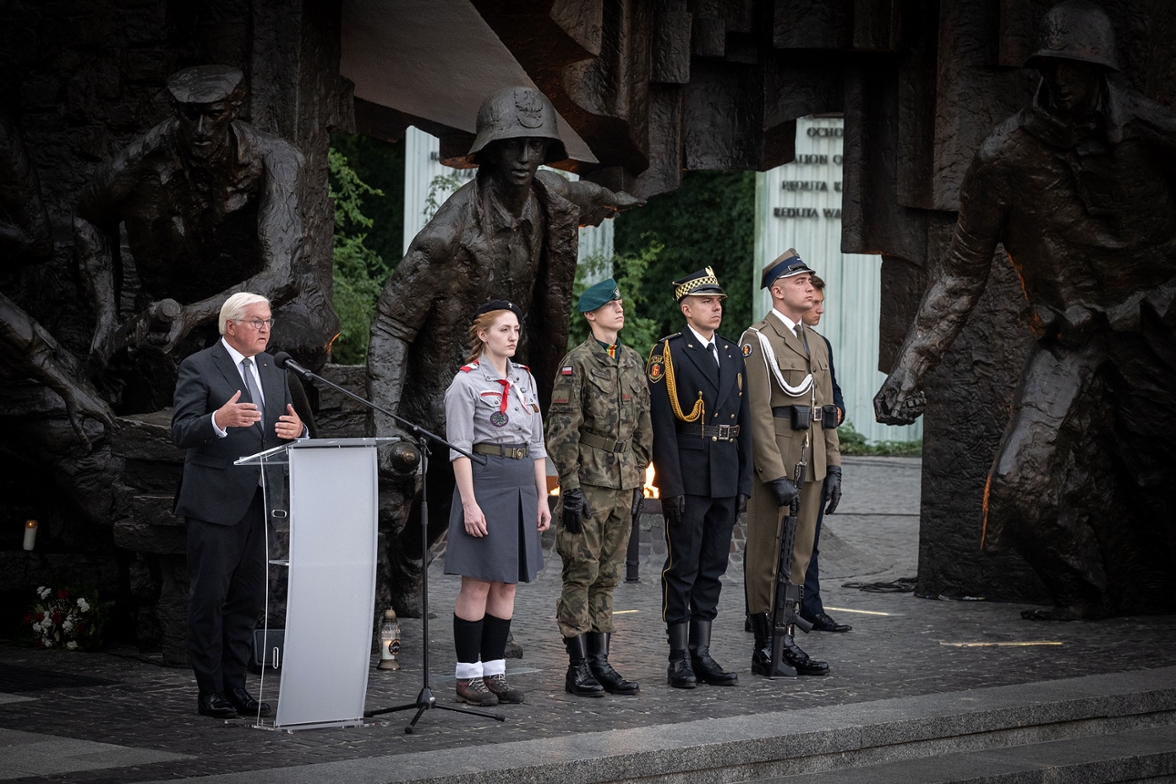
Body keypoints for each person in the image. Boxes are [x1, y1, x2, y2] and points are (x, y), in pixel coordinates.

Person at [874, 0, 1176, 619]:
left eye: (1076, 67)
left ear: (1103, 72)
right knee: (1016, 483)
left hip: (1161, 331)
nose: (1062, 80)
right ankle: (1084, 595)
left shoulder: (1154, 132)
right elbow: (961, 271)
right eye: (1052, 66)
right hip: (1072, 340)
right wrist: (911, 366)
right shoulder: (1004, 158)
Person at [366, 86, 640, 608]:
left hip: (511, 384)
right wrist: (383, 425)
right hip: (447, 386)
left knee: (493, 496)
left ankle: (454, 595)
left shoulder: (547, 199)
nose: (524, 157)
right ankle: (395, 578)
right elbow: (390, 326)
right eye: (513, 145)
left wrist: (611, 198)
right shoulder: (445, 237)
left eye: (536, 146)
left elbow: (578, 194)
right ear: (488, 149)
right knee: (436, 492)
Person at [74, 65, 305, 372]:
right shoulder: (141, 159)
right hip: (172, 308)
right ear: (175, 110)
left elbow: (282, 274)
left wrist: (194, 314)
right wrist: (106, 316)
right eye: (190, 115)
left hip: (262, 309)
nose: (200, 129)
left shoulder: (278, 159)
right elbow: (87, 216)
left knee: (272, 354)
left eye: (213, 115)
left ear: (234, 109)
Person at [171, 292, 305, 719]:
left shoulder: (274, 367)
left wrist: (297, 429)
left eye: (268, 321)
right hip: (214, 503)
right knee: (210, 598)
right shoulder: (199, 366)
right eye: (256, 321)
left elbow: (289, 429)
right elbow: (181, 431)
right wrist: (218, 421)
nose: (266, 329)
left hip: (262, 501)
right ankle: (209, 691)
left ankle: (236, 686)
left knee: (248, 601)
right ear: (231, 326)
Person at [546, 278, 653, 697]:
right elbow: (561, 429)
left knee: (608, 576)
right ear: (591, 315)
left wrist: (639, 473)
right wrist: (569, 486)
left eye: (620, 302)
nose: (619, 308)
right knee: (581, 573)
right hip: (588, 483)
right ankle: (577, 667)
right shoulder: (578, 363)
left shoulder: (631, 360)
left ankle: (601, 661)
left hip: (624, 482)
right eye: (610, 304)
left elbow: (644, 421)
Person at [647, 267, 752, 688]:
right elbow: (662, 426)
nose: (716, 307)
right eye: (707, 301)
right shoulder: (668, 353)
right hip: (689, 474)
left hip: (725, 472)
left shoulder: (731, 353)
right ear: (686, 308)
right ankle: (677, 656)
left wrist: (744, 482)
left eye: (719, 301)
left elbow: (744, 422)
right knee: (683, 567)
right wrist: (668, 484)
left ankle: (701, 651)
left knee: (713, 567)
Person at [442, 300, 551, 707]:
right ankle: (468, 676)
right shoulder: (466, 382)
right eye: (504, 329)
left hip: (522, 481)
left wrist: (543, 496)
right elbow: (458, 449)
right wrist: (469, 503)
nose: (513, 337)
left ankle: (494, 671)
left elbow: (537, 443)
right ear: (483, 335)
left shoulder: (525, 379)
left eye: (517, 330)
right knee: (479, 580)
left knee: (507, 582)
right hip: (485, 480)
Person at [740, 250, 841, 677]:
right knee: (768, 551)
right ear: (777, 291)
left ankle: (789, 637)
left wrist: (833, 465)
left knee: (799, 554)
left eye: (809, 282)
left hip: (813, 458)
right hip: (779, 460)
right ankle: (766, 643)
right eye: (799, 281)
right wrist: (773, 472)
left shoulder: (815, 341)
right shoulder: (757, 338)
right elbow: (758, 413)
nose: (808, 287)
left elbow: (826, 409)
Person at [798, 276, 851, 633]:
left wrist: (839, 410)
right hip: (787, 451)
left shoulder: (821, 344)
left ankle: (810, 606)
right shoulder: (764, 340)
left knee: (810, 537)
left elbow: (833, 393)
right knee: (775, 540)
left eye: (820, 301)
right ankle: (763, 610)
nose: (820, 308)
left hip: (818, 449)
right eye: (814, 302)